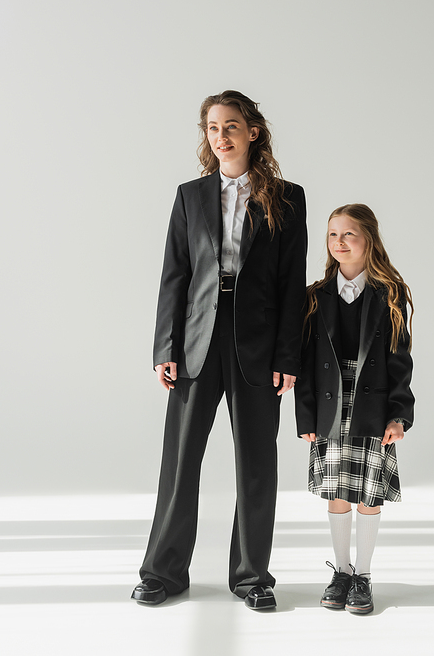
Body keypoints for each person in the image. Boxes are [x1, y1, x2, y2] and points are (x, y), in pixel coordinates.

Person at [131, 90, 307, 610]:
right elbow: (175, 276)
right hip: (195, 341)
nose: (220, 135)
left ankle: (253, 579)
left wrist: (287, 357)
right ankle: (162, 573)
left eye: (231, 126)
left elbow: (291, 285)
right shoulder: (190, 195)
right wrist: (166, 346)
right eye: (212, 127)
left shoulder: (287, 197)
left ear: (253, 131)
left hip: (257, 342)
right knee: (180, 462)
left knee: (256, 463)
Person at [295, 204, 414, 615]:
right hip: (330, 402)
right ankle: (341, 571)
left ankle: (362, 575)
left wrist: (399, 415)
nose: (339, 242)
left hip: (374, 405)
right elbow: (305, 363)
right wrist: (305, 416)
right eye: (333, 235)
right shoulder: (315, 296)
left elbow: (401, 361)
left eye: (349, 235)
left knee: (368, 492)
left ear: (368, 241)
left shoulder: (389, 294)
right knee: (337, 493)